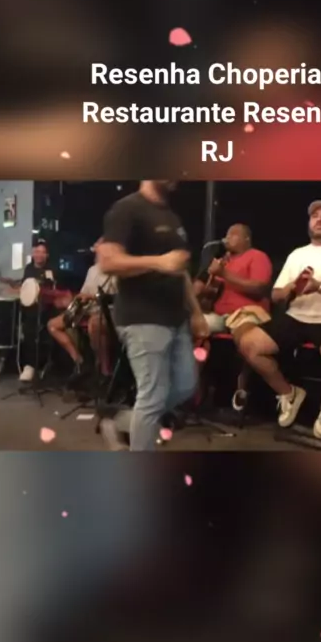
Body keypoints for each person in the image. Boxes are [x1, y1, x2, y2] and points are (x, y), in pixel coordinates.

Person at [238, 201, 321, 438]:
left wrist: (320, 287)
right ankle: (288, 394)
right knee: (249, 344)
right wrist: (288, 289)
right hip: (297, 316)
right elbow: (276, 295)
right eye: (315, 216)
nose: (319, 219)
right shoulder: (298, 254)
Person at [97, 180, 209, 451]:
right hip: (142, 318)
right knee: (153, 396)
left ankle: (121, 422)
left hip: (176, 317)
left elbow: (179, 271)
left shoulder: (172, 216)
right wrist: (158, 262)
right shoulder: (126, 209)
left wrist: (196, 312)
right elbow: (108, 262)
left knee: (185, 385)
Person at [194, 224, 273, 410]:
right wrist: (206, 284)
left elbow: (258, 288)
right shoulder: (222, 261)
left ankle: (242, 387)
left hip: (248, 312)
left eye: (234, 234)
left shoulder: (257, 256)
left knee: (245, 335)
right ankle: (193, 388)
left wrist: (224, 274)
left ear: (247, 239)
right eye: (227, 234)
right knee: (190, 327)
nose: (227, 238)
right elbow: (207, 291)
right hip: (220, 316)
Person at [47, 238, 117, 381]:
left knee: (94, 325)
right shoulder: (92, 270)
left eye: (98, 245)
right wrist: (71, 300)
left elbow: (115, 297)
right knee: (53, 325)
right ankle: (79, 362)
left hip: (106, 311)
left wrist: (91, 297)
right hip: (86, 309)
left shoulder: (116, 270)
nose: (95, 248)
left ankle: (104, 371)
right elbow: (83, 293)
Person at [3, 240, 57, 382]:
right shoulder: (28, 269)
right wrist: (14, 288)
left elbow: (52, 290)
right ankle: (2, 361)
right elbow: (25, 288)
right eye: (36, 252)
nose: (39, 255)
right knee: (8, 319)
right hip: (28, 308)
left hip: (44, 309)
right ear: (33, 254)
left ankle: (33, 365)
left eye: (42, 252)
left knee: (31, 329)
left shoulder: (50, 270)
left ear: (47, 255)